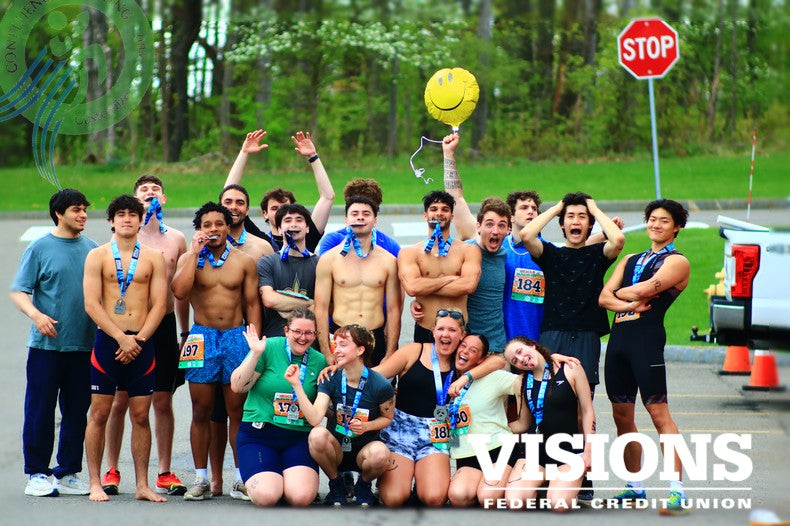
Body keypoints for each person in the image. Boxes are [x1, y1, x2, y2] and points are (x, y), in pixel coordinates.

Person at [519, 191, 624, 501]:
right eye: (571, 218)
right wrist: (557, 208)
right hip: (552, 335)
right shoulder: (551, 254)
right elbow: (527, 233)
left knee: (581, 409)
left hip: (586, 336)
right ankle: (546, 470)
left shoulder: (596, 255)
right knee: (549, 405)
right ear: (562, 225)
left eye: (582, 218)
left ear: (590, 224)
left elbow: (617, 240)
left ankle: (583, 472)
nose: (576, 222)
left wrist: (594, 207)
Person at [599, 199, 691, 515]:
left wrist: (625, 296)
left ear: (676, 226)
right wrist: (627, 304)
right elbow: (602, 297)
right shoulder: (629, 259)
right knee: (621, 417)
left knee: (658, 413)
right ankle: (635, 487)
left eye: (664, 221)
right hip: (619, 344)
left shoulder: (678, 262)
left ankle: (677, 490)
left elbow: (641, 291)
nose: (656, 225)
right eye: (652, 219)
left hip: (647, 342)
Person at [101, 175, 190, 496]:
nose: (150, 195)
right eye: (144, 191)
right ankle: (112, 468)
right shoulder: (121, 240)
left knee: (162, 400)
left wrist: (184, 332)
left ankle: (164, 471)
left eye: (155, 191)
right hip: (127, 328)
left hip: (164, 327)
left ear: (163, 199)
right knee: (119, 400)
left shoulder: (177, 240)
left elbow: (180, 293)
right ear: (134, 203)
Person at [171, 202, 262, 501]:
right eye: (207, 225)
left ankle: (239, 479)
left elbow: (252, 304)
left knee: (238, 410)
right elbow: (180, 292)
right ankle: (201, 479)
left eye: (218, 224)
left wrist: (255, 345)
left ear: (227, 227)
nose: (213, 229)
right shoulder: (190, 258)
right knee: (201, 410)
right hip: (202, 336)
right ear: (200, 229)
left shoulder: (244, 261)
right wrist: (193, 255)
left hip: (237, 336)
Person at [10, 189, 98, 497]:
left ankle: (68, 472)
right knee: (40, 410)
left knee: (77, 411)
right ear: (58, 213)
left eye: (85, 209)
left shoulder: (93, 249)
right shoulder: (40, 248)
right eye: (76, 209)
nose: (83, 214)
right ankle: (36, 473)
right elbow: (19, 291)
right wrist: (37, 315)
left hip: (85, 346)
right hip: (46, 348)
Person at [82, 195, 168, 502]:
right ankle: (95, 481)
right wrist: (121, 338)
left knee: (142, 416)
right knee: (99, 414)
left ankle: (142, 485)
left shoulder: (154, 257)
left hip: (141, 343)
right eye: (121, 214)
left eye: (133, 214)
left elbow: (159, 305)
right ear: (111, 221)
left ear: (142, 219)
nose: (127, 219)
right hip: (110, 342)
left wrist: (138, 340)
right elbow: (91, 304)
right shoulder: (98, 256)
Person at [229, 310, 328, 506]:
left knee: (300, 498)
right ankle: (268, 480)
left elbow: (319, 409)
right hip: (260, 435)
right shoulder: (269, 348)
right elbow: (237, 386)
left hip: (297, 437)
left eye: (309, 333)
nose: (302, 337)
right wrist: (255, 354)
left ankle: (283, 478)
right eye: (297, 331)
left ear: (315, 335)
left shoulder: (319, 360)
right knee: (267, 497)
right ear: (286, 330)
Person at [293, 325, 395, 506]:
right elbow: (316, 418)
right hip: (337, 449)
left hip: (365, 451)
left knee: (380, 453)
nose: (336, 350)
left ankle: (363, 485)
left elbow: (387, 418)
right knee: (317, 435)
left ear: (360, 350)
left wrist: (367, 426)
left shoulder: (380, 384)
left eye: (343, 345)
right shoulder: (331, 377)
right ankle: (336, 484)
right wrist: (297, 386)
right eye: (336, 345)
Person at [374, 308, 466, 507]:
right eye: (441, 329)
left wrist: (468, 375)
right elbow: (376, 376)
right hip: (400, 432)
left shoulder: (463, 362)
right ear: (433, 331)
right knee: (394, 498)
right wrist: (344, 368)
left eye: (452, 330)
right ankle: (399, 481)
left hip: (436, 435)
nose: (446, 335)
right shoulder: (415, 350)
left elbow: (497, 361)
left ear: (462, 335)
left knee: (434, 498)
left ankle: (422, 480)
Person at [503, 337, 595, 512]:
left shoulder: (570, 368)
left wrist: (589, 451)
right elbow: (523, 424)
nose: (521, 359)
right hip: (535, 454)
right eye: (515, 361)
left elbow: (587, 411)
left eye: (521, 351)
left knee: (558, 504)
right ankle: (544, 484)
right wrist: (495, 431)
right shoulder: (522, 382)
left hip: (568, 453)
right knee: (515, 502)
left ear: (532, 345)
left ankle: (562, 485)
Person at [440, 134, 509, 351]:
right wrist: (448, 154)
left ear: (508, 229)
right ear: (478, 226)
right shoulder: (470, 244)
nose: (494, 231)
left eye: (501, 225)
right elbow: (456, 198)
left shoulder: (509, 249)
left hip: (496, 345)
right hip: (464, 345)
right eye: (489, 224)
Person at [314, 196, 401, 365]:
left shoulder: (389, 261)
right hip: (340, 334)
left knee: (377, 389)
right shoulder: (329, 260)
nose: (360, 217)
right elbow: (321, 308)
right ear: (346, 220)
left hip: (374, 337)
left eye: (366, 214)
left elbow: (394, 310)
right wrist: (325, 350)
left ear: (375, 221)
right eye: (355, 214)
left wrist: (390, 352)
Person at [224, 129, 335, 251]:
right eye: (274, 208)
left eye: (284, 207)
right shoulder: (260, 241)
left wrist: (313, 156)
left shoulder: (306, 237)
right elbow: (228, 194)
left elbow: (327, 197)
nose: (280, 212)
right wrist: (244, 153)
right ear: (264, 213)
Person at [447, 334, 523, 507]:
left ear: (482, 359)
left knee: (488, 497)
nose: (465, 351)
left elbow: (525, 383)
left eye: (473, 350)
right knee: (458, 496)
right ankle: (487, 484)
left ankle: (511, 483)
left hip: (498, 449)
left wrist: (522, 417)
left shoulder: (493, 377)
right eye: (463, 346)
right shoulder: (446, 377)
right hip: (468, 454)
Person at [397, 190, 481, 343]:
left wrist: (426, 285)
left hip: (458, 330)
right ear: (425, 215)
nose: (439, 213)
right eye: (434, 209)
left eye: (445, 209)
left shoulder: (468, 250)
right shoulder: (410, 252)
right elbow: (413, 288)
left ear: (452, 217)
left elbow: (468, 285)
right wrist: (450, 279)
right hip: (425, 330)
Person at [258, 203, 319, 338]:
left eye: (299, 220)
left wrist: (285, 306)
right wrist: (310, 303)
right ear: (279, 229)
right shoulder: (267, 262)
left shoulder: (319, 263)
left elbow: (325, 308)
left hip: (309, 339)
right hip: (275, 339)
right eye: (287, 220)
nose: (293, 224)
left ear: (308, 228)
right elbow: (269, 300)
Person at [316, 178, 401, 257]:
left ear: (376, 214)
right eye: (355, 212)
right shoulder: (333, 241)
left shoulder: (390, 246)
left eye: (366, 212)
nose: (360, 217)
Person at [503, 191, 545, 341]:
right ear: (511, 217)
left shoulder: (547, 250)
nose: (530, 211)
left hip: (538, 339)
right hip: (503, 340)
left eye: (534, 209)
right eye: (524, 207)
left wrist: (603, 235)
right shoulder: (498, 248)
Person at [219, 183, 275, 261]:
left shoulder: (263, 247)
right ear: (219, 207)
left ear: (247, 210)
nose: (233, 207)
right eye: (228, 202)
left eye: (240, 203)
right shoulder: (207, 246)